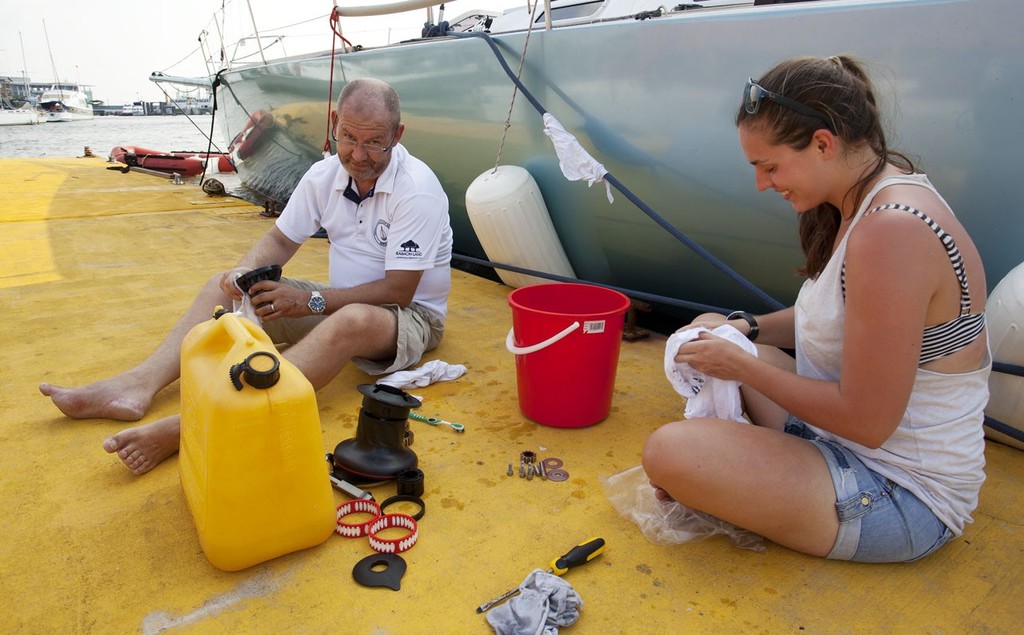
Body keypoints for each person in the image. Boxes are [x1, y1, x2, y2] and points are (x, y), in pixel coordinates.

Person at [642, 56, 990, 563]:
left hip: (901, 495)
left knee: (669, 453)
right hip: (851, 447)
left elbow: (868, 422)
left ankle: (737, 475)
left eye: (769, 166)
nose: (763, 184)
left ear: (823, 143)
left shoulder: (892, 232)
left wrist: (738, 365)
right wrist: (746, 328)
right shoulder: (874, 194)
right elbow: (836, 318)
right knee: (716, 332)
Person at [40, 78, 453, 475]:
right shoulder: (324, 175)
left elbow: (399, 290)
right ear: (333, 124)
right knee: (225, 285)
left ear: (396, 135)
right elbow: (278, 240)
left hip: (408, 317)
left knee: (352, 320)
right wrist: (243, 275)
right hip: (341, 298)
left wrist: (311, 301)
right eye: (349, 138)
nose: (359, 155)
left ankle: (194, 425)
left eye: (374, 142)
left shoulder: (416, 189)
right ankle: (138, 385)